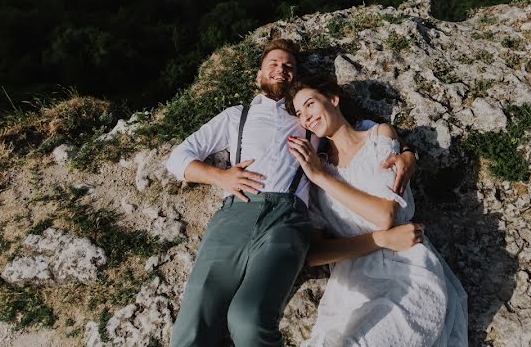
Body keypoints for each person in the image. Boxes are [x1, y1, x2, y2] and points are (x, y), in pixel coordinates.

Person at [165, 38, 418, 347]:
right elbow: (178, 158)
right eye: (273, 64)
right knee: (192, 323)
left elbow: (360, 132)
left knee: (248, 319)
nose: (281, 70)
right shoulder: (236, 116)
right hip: (235, 212)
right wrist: (219, 176)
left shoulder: (309, 118)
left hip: (287, 217)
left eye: (288, 67)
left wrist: (407, 152)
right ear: (259, 76)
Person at [285, 76, 468, 347]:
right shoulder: (315, 171)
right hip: (352, 286)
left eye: (310, 105)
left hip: (407, 269)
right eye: (299, 114)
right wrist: (378, 240)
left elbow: (385, 216)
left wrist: (322, 179)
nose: (306, 118)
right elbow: (316, 254)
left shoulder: (378, 137)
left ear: (334, 100)